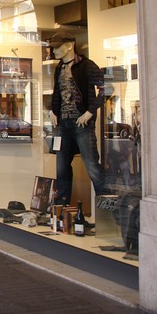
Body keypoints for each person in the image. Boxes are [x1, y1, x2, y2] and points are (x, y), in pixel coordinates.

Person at [49, 32, 105, 205]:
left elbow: (106, 89)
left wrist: (90, 112)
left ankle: (108, 208)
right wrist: (53, 110)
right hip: (63, 124)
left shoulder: (87, 65)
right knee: (61, 168)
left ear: (69, 46)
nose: (54, 51)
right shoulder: (59, 68)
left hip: (82, 124)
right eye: (53, 48)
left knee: (92, 166)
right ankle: (61, 208)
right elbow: (57, 92)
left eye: (57, 47)